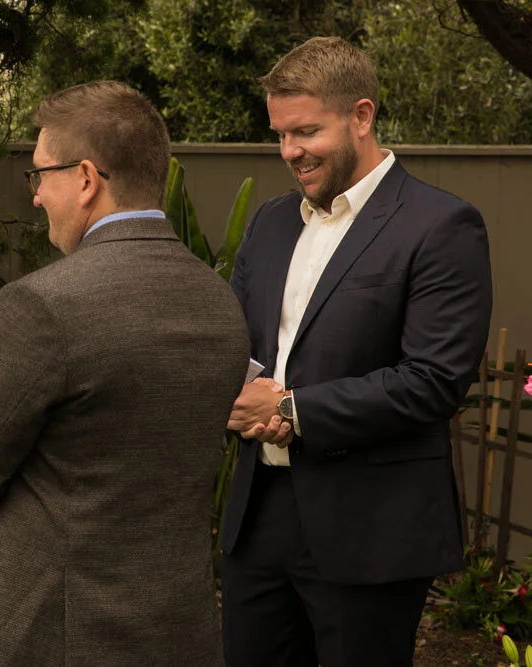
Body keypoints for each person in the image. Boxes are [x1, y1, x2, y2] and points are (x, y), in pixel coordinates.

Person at [0, 81, 249, 667]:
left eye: (39, 175)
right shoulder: (218, 300)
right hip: (176, 620)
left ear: (85, 178)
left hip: (46, 621)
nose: (34, 197)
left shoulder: (42, 304)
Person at [221, 37, 492, 667]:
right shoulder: (269, 222)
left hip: (370, 530)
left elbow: (435, 380)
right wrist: (239, 396)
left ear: (362, 116)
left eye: (306, 132)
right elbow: (239, 346)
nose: (290, 152)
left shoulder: (441, 226)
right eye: (280, 135)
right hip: (257, 518)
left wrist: (292, 408)